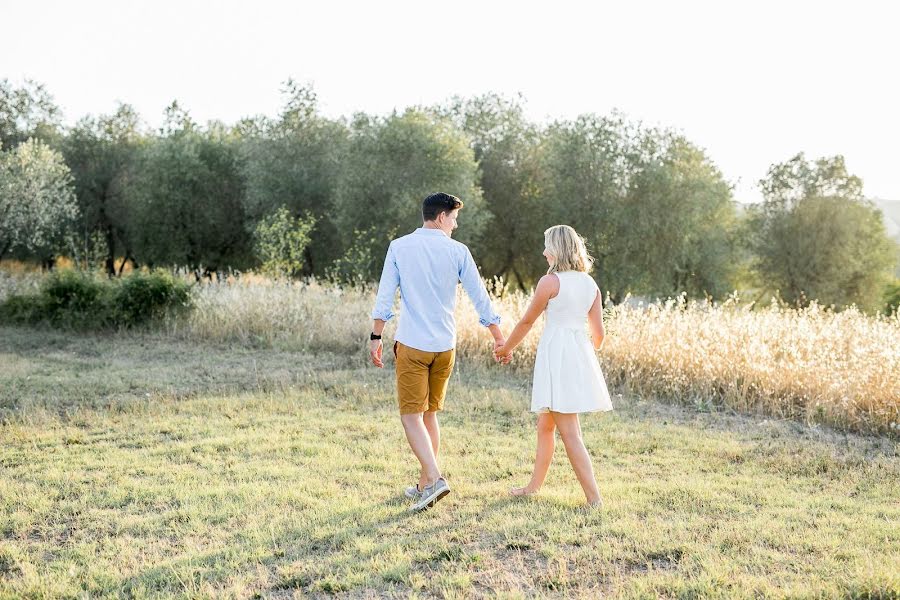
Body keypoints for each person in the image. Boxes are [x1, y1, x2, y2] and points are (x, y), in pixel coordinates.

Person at [369, 192, 505, 512]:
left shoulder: (400, 247)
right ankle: (424, 486)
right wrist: (498, 337)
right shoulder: (458, 251)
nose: (455, 225)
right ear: (441, 216)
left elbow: (384, 296)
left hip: (414, 345)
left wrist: (376, 335)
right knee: (428, 414)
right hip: (445, 348)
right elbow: (480, 297)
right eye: (454, 218)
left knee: (410, 416)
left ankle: (435, 477)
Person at [494, 225, 612, 507]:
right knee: (546, 426)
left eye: (546, 245)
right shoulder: (590, 284)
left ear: (557, 249)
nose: (543, 251)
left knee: (570, 432)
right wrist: (584, 351)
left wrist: (505, 348)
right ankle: (533, 487)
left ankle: (594, 499)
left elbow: (526, 321)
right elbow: (599, 335)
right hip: (576, 354)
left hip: (557, 356)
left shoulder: (551, 282)